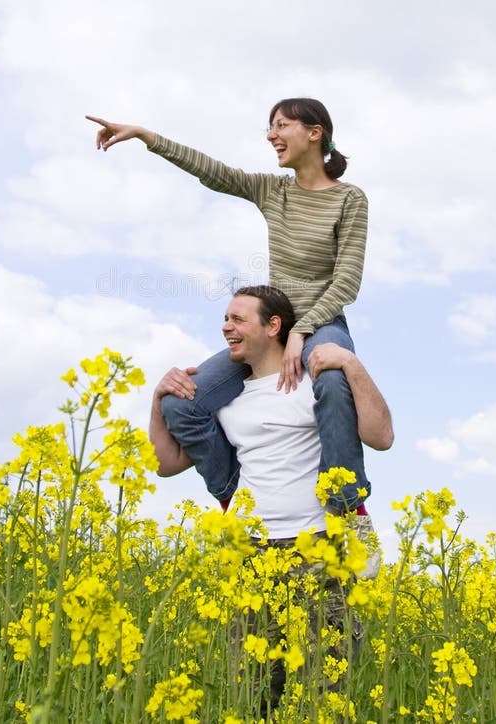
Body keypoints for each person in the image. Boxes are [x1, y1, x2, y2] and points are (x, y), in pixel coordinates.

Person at [87, 98, 369, 512]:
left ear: (315, 132)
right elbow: (213, 171)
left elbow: (347, 280)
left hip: (322, 323)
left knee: (330, 378)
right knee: (181, 403)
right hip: (273, 326)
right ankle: (236, 499)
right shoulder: (273, 190)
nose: (272, 135)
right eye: (269, 128)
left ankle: (347, 508)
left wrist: (303, 331)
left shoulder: (349, 199)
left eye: (281, 125)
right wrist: (148, 137)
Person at [149, 285, 393, 711]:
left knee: (324, 697)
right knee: (255, 694)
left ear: (274, 326)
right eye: (225, 319)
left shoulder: (316, 385)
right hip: (252, 553)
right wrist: (159, 398)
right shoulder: (226, 400)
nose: (226, 327)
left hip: (320, 548)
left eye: (237, 319)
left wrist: (351, 365)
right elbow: (167, 463)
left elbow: (382, 436)